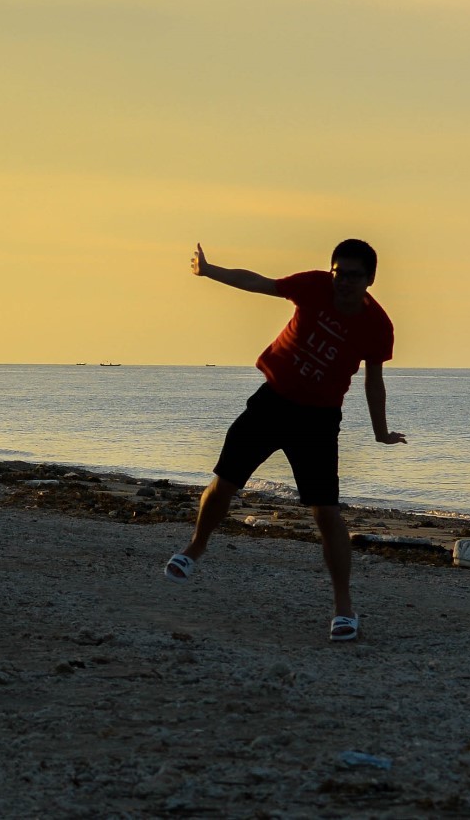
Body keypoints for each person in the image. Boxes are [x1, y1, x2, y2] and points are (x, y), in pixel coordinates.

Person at [164, 237, 406, 642]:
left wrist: (380, 432)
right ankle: (194, 549)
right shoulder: (312, 287)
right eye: (338, 274)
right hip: (271, 403)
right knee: (224, 483)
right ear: (330, 272)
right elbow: (258, 283)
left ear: (370, 279)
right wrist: (209, 271)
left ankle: (344, 608)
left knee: (326, 513)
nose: (343, 283)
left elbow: (374, 381)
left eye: (353, 276)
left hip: (318, 422)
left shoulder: (378, 326)